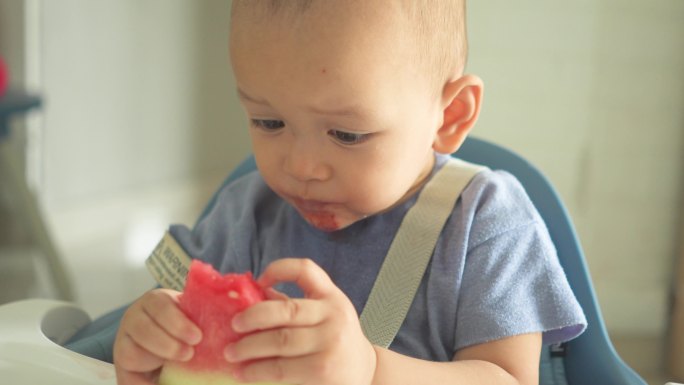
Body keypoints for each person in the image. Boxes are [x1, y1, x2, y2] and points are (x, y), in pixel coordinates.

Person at [113, 1, 586, 384]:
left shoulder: (487, 221)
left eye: (346, 134)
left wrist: (371, 369)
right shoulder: (244, 212)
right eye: (269, 122)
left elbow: (508, 380)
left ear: (450, 116)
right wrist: (151, 342)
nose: (302, 167)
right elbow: (172, 317)